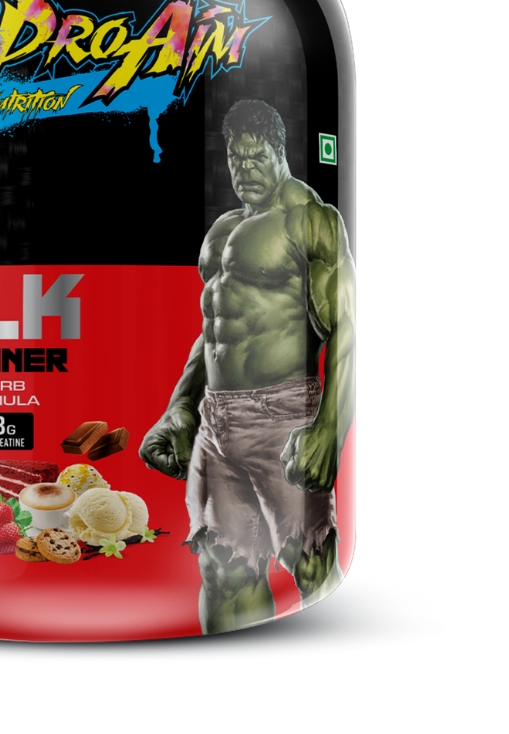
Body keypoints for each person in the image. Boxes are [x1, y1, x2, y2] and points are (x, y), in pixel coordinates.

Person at [140, 99, 355, 634]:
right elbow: (215, 329)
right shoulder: (224, 229)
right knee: (222, 569)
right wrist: (180, 406)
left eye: (257, 158)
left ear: (280, 152)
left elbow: (348, 327)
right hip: (216, 422)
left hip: (281, 413)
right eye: (237, 159)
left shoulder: (310, 219)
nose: (245, 170)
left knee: (310, 560)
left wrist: (328, 430)